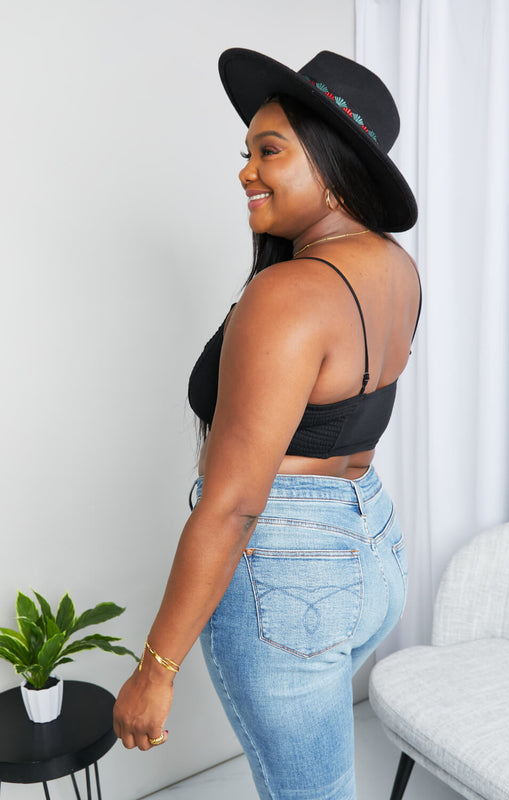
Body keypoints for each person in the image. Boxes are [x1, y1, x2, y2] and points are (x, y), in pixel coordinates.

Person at [113, 48, 421, 800]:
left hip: (292, 573)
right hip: (372, 546)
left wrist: (154, 671)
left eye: (269, 151)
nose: (245, 171)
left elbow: (235, 503)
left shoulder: (289, 293)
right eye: (246, 152)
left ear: (334, 165)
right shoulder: (394, 267)